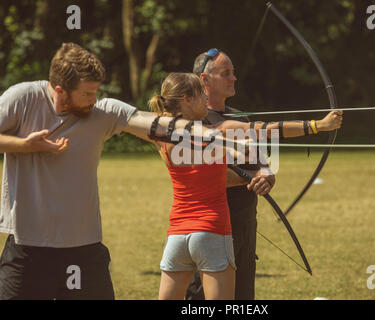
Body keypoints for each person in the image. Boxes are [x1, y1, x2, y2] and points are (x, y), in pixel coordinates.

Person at [0, 42, 216, 300]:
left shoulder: (103, 111)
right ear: (61, 90)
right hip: (28, 249)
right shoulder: (23, 99)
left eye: (96, 92)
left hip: (84, 250)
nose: (94, 100)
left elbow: (158, 124)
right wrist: (24, 145)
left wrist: (215, 135)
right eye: (87, 94)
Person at [151, 72, 342, 300]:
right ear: (186, 100)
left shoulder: (163, 138)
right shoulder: (213, 133)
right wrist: (316, 126)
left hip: (178, 234)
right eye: (200, 94)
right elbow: (269, 129)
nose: (205, 97)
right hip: (210, 231)